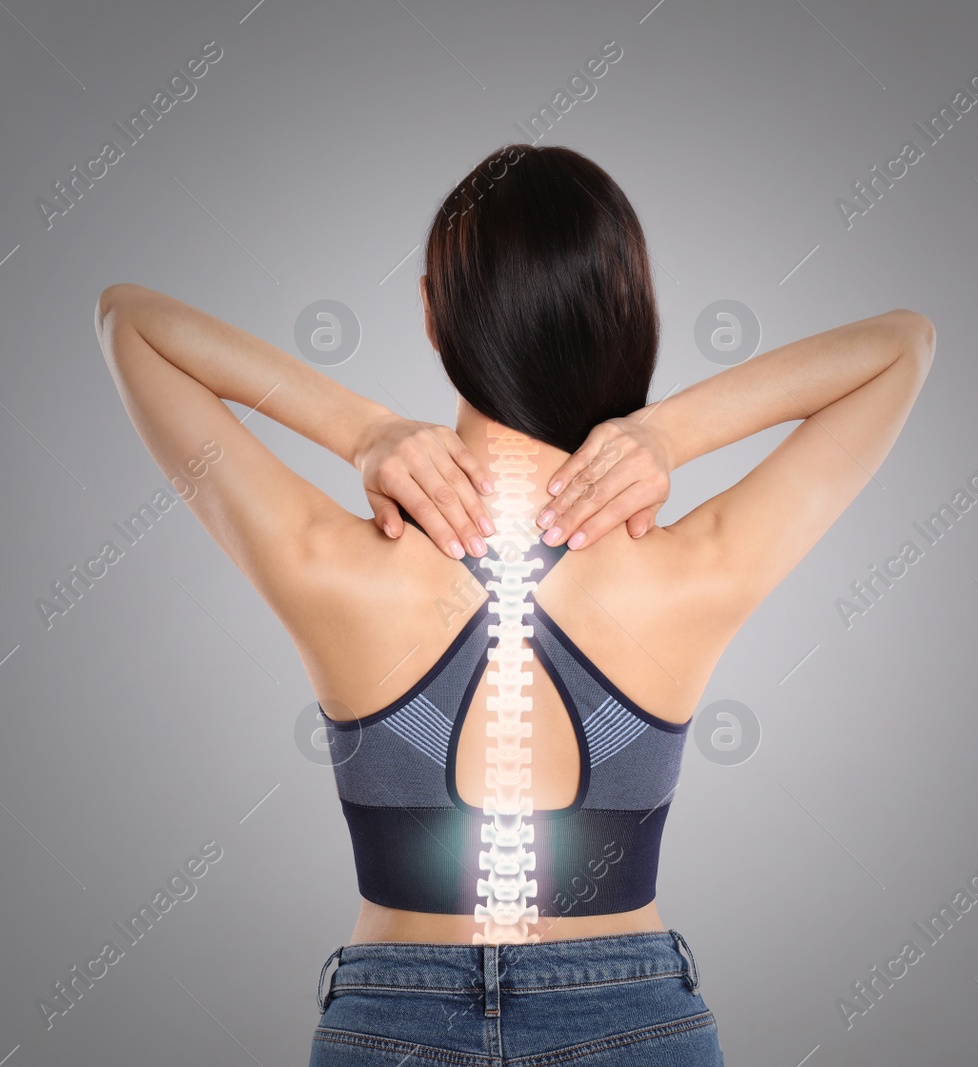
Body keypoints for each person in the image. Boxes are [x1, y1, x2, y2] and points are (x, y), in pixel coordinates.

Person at [95, 143, 933, 1065]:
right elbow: (902, 345)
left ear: (429, 310)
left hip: (394, 1021)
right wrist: (670, 433)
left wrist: (360, 430)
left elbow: (128, 320)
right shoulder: (692, 565)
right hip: (631, 1015)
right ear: (627, 317)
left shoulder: (334, 562)